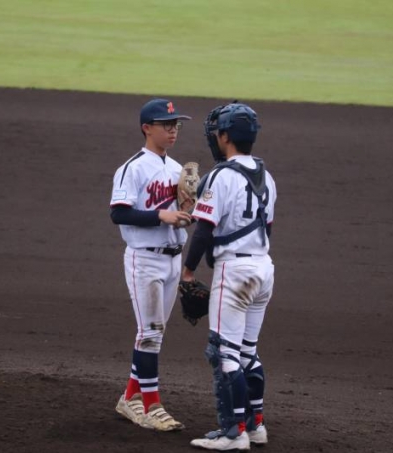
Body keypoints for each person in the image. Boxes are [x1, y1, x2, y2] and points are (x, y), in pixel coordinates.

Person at [181, 102, 277, 450]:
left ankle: (232, 433)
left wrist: (188, 272)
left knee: (224, 354)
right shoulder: (268, 177)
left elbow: (204, 231)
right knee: (247, 352)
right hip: (263, 269)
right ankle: (255, 425)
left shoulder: (221, 176)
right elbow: (266, 229)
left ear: (224, 137)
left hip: (235, 272)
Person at [110, 98, 194, 431]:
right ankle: (151, 406)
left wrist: (189, 209)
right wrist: (162, 215)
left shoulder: (177, 169)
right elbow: (119, 213)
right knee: (150, 334)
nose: (173, 130)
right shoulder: (133, 168)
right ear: (147, 128)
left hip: (173, 259)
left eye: (176, 124)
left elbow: (181, 215)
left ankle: (130, 398)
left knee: (154, 334)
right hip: (144, 259)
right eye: (166, 125)